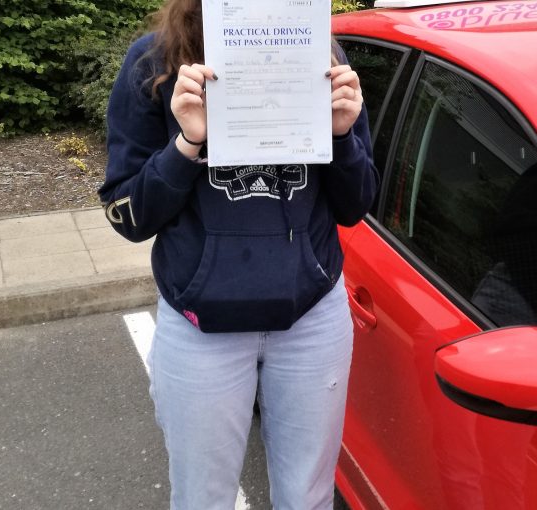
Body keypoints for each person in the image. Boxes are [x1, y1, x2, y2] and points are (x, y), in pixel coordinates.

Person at [98, 0, 378, 507]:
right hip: (201, 325)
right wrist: (185, 145)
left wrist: (342, 137)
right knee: (203, 497)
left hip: (310, 318)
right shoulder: (154, 65)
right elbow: (127, 216)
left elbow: (357, 205)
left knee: (307, 497)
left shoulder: (322, 53)